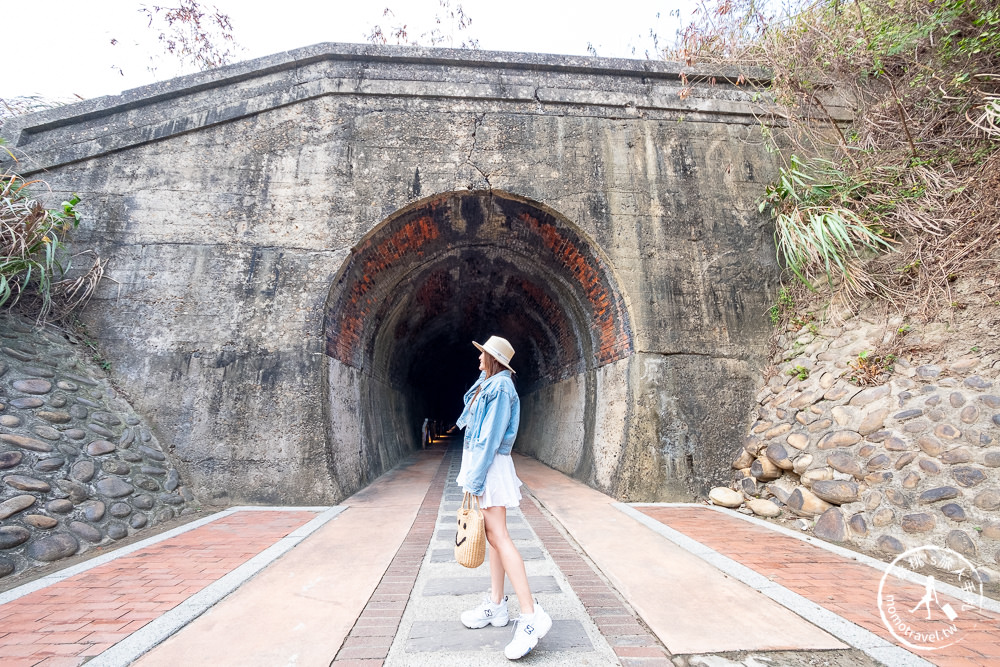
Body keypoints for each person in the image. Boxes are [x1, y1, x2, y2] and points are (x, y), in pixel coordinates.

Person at [455, 335, 552, 660]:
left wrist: (475, 478)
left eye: (483, 355)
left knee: (500, 537)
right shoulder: (491, 383)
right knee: (494, 537)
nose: (478, 359)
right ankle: (497, 606)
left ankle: (530, 616)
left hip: (489, 466)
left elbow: (490, 437)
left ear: (493, 358)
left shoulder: (499, 389)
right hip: (487, 465)